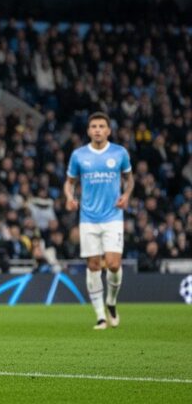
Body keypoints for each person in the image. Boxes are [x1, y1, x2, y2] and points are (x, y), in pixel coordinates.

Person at [64, 112, 133, 330]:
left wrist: (126, 195)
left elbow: (129, 180)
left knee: (113, 264)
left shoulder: (119, 153)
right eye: (94, 126)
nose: (97, 130)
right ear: (88, 131)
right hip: (88, 218)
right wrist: (69, 197)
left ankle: (111, 301)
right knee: (93, 265)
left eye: (101, 126)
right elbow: (69, 182)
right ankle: (100, 316)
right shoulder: (79, 155)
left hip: (113, 216)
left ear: (108, 131)